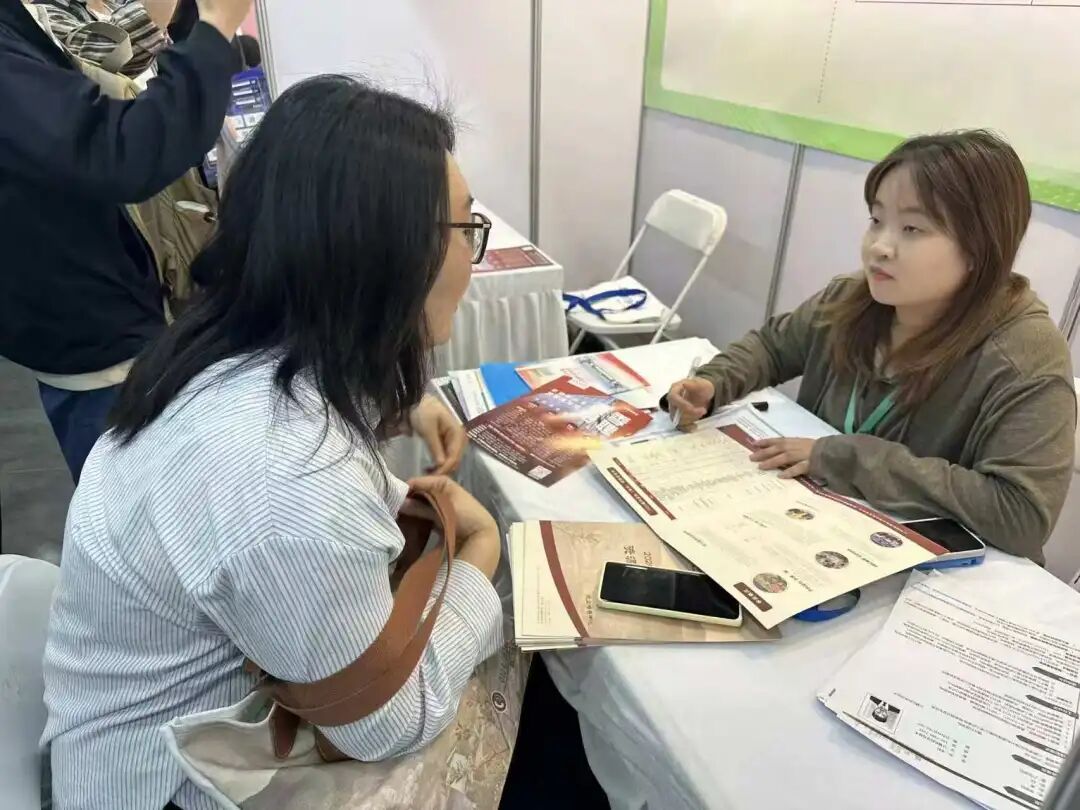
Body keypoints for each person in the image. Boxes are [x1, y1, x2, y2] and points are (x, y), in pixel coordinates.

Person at [41, 75, 501, 810]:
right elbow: (383, 722)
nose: (470, 257)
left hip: (157, 736)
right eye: (465, 227)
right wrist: (480, 554)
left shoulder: (230, 358)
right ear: (384, 248)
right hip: (177, 787)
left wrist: (393, 494)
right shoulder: (284, 467)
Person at [666, 130, 1075, 564]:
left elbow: (1021, 514)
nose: (879, 246)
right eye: (876, 220)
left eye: (912, 228)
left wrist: (847, 459)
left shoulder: (1025, 356)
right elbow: (772, 347)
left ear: (980, 248)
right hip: (814, 529)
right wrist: (714, 383)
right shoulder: (854, 298)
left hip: (935, 574)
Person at [0, 0, 252, 484]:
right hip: (94, 342)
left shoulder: (32, 20)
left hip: (122, 316)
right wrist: (216, 28)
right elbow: (121, 152)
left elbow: (102, 53)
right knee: (155, 506)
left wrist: (191, 23)